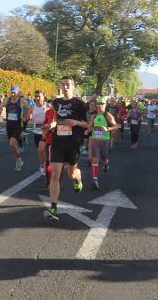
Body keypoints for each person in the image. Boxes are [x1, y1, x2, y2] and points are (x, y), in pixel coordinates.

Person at [43, 76, 88, 220]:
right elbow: (57, 120)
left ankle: (78, 178)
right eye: (63, 85)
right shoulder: (56, 102)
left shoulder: (80, 104)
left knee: (71, 174)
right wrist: (50, 126)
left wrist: (75, 122)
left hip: (73, 144)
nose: (65, 87)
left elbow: (87, 124)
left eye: (68, 84)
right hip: (57, 142)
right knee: (54, 175)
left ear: (73, 86)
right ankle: (54, 208)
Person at [87, 97, 116, 190]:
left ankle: (106, 164)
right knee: (95, 159)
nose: (100, 106)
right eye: (98, 104)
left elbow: (115, 126)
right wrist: (87, 131)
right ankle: (94, 179)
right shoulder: (94, 116)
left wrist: (108, 129)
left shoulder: (108, 115)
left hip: (105, 141)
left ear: (105, 105)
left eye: (102, 104)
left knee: (103, 159)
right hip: (95, 140)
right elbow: (90, 127)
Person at [0, 86, 29, 171]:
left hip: (18, 125)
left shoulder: (21, 100)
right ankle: (18, 159)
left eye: (14, 92)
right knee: (13, 145)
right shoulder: (6, 100)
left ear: (18, 92)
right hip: (9, 125)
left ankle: (18, 159)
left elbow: (30, 108)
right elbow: (0, 107)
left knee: (12, 143)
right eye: (11, 92)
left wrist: (26, 117)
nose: (13, 94)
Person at [30, 90, 49, 175]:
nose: (37, 98)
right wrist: (26, 118)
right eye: (36, 96)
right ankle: (43, 164)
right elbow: (26, 117)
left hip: (45, 132)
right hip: (36, 131)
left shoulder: (48, 106)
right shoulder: (32, 107)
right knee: (40, 151)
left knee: (41, 149)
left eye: (39, 96)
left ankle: (44, 165)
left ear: (43, 97)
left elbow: (55, 115)